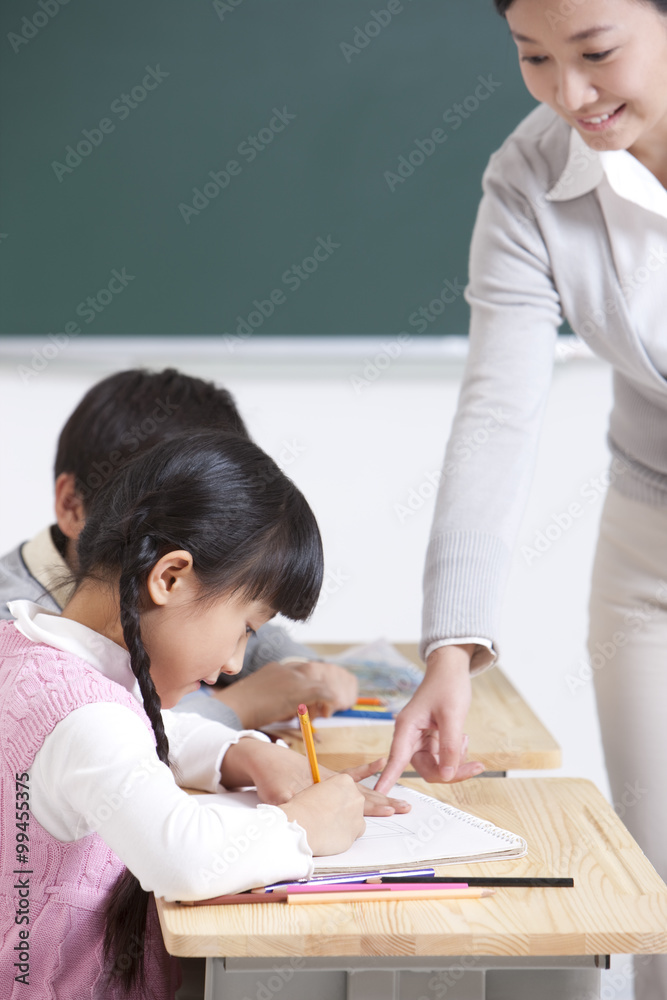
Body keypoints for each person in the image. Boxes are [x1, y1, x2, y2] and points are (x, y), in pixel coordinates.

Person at [377, 1, 667, 994]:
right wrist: (453, 643)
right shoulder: (530, 177)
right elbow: (499, 411)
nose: (568, 95)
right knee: (657, 891)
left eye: (595, 54)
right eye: (532, 57)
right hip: (648, 556)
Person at [0, 430, 407, 999]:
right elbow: (183, 858)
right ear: (169, 578)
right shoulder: (89, 717)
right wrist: (303, 826)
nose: (235, 662)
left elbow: (126, 737)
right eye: (245, 627)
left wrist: (236, 752)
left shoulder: (23, 650)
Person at [0, 367, 358, 729]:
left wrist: (297, 670)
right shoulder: (15, 632)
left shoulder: (170, 598)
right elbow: (97, 727)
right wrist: (243, 706)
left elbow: (227, 609)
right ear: (72, 505)